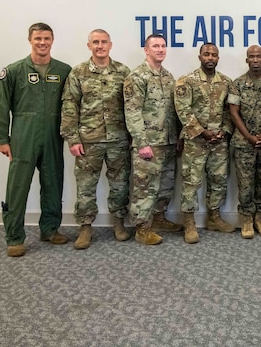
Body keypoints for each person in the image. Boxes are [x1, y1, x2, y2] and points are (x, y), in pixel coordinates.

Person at [0, 22, 72, 257]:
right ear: (30, 40)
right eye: (38, 38)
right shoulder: (14, 70)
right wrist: (2, 138)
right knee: (17, 187)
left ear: (52, 40)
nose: (42, 43)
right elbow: (1, 106)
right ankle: (15, 237)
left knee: (53, 183)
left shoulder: (63, 70)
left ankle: (50, 229)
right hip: (23, 136)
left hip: (52, 135)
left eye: (46, 38)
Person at [61, 29, 132, 249]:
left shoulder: (123, 71)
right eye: (95, 42)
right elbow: (69, 106)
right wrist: (72, 139)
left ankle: (119, 223)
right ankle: (85, 227)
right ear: (89, 45)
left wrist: (133, 137)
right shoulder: (78, 73)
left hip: (118, 139)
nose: (100, 46)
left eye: (103, 42)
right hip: (88, 140)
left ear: (110, 44)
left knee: (120, 185)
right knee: (85, 187)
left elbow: (131, 107)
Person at [124, 34, 182, 245]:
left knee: (165, 184)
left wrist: (176, 136)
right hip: (148, 142)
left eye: (163, 46)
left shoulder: (168, 77)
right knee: (145, 186)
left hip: (167, 141)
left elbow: (173, 111)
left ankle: (158, 218)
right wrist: (141, 142)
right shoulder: (137, 77)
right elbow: (132, 112)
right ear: (146, 50)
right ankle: (142, 227)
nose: (160, 49)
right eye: (155, 46)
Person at [175, 43, 234, 244]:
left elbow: (230, 112)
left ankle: (214, 217)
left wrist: (223, 131)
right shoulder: (186, 81)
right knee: (191, 182)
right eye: (206, 54)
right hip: (195, 141)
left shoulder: (226, 82)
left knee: (219, 180)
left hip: (219, 142)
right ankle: (189, 222)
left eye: (214, 55)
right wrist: (203, 132)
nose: (210, 57)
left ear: (218, 58)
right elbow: (183, 111)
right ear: (199, 56)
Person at [228, 45, 261, 239]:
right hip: (243, 144)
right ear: (247, 60)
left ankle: (259, 218)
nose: (255, 60)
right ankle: (246, 219)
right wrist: (248, 136)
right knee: (245, 183)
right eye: (251, 57)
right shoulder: (236, 84)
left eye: (259, 56)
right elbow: (233, 112)